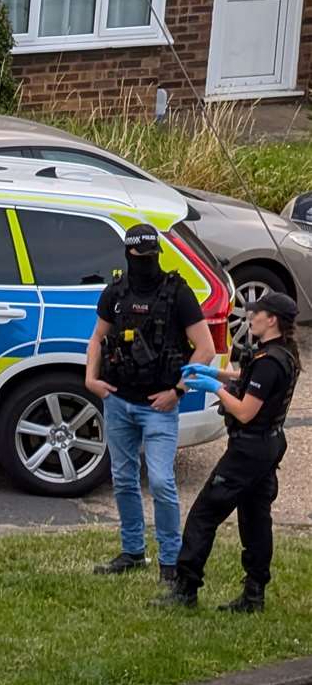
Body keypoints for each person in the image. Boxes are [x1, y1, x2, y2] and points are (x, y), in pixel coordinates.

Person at [86, 223, 216, 580]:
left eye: (150, 256)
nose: (145, 262)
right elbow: (97, 338)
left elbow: (205, 349)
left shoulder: (177, 293)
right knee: (124, 479)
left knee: (160, 482)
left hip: (160, 406)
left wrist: (177, 391)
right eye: (139, 256)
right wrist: (90, 379)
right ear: (129, 254)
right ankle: (132, 552)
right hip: (117, 400)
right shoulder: (115, 292)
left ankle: (171, 563)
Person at [155, 291, 299, 611]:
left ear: (271, 319)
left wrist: (216, 389)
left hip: (248, 451)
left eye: (256, 314)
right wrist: (219, 374)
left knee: (204, 515)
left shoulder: (269, 363)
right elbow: (249, 379)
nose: (251, 318)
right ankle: (254, 594)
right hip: (268, 446)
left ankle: (185, 589)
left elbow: (245, 411)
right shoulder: (282, 354)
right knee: (255, 519)